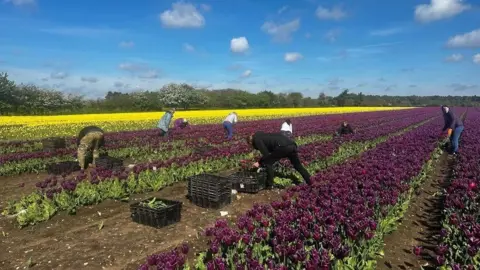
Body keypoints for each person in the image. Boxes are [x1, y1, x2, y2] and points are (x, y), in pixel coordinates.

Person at [247, 131, 311, 188]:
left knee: (268, 163)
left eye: (250, 145)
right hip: (292, 144)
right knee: (298, 165)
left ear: (250, 142)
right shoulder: (261, 135)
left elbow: (266, 155)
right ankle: (310, 182)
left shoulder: (257, 140)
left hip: (282, 147)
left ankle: (270, 184)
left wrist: (259, 162)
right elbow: (270, 150)